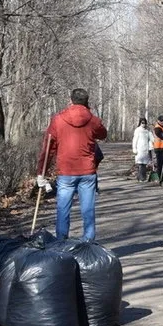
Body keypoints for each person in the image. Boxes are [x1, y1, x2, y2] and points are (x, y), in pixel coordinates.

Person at [38, 88, 107, 241]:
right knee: (88, 211)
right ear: (86, 101)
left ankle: (61, 244)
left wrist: (40, 171)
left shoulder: (58, 119)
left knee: (63, 210)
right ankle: (88, 245)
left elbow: (49, 147)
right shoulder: (92, 120)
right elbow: (103, 134)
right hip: (87, 172)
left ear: (71, 100)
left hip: (66, 172)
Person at [132, 118, 152, 182]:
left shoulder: (147, 131)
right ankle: (140, 178)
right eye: (142, 123)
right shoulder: (137, 130)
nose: (143, 124)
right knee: (140, 164)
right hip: (139, 149)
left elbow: (150, 139)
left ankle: (143, 177)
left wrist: (150, 147)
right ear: (140, 123)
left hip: (145, 149)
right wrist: (134, 148)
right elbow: (135, 140)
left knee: (144, 164)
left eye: (144, 123)